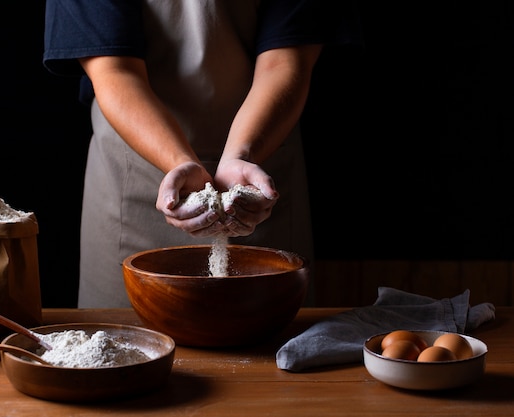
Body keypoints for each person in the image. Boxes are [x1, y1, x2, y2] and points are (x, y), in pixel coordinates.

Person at [43, 0, 362, 308]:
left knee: (268, 344)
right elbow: (115, 71)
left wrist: (243, 155)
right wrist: (180, 162)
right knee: (125, 346)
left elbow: (284, 62)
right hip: (134, 181)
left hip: (261, 171)